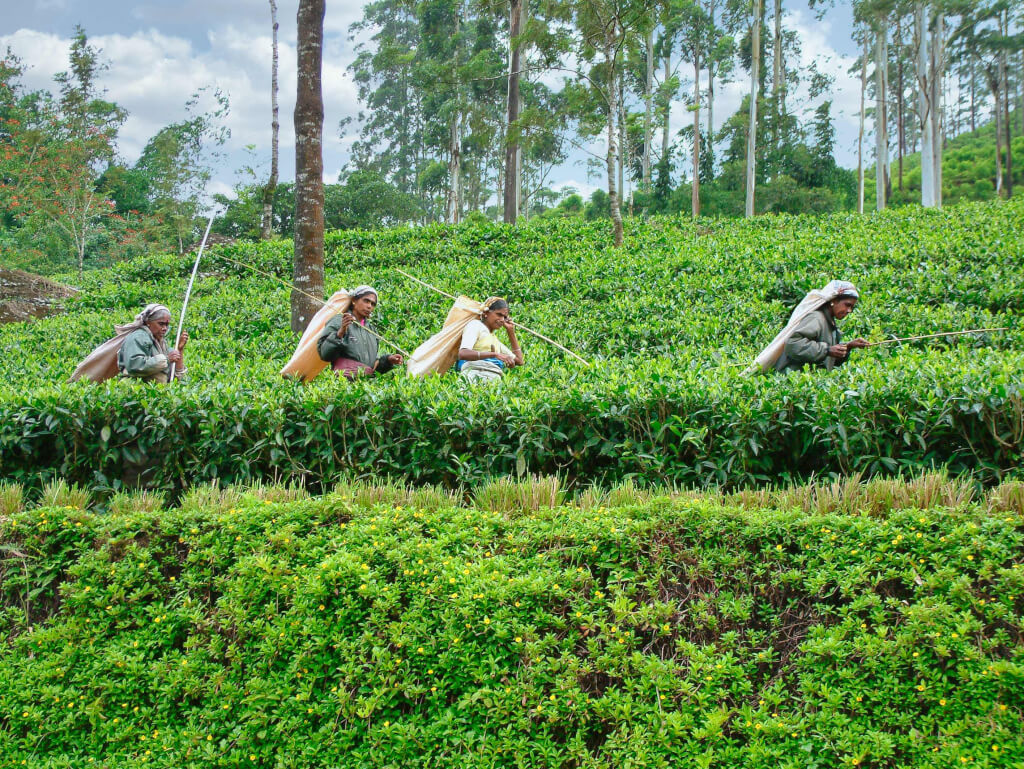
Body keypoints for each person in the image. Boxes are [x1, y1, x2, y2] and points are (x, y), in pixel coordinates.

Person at [773, 281, 868, 372]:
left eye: (851, 307)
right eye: (847, 305)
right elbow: (793, 344)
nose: (849, 310)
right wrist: (827, 350)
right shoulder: (816, 318)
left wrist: (848, 347)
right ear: (833, 300)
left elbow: (829, 360)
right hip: (793, 379)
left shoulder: (829, 322)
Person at [316, 285, 403, 379]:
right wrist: (340, 333)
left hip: (365, 385)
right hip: (343, 383)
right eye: (366, 301)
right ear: (354, 300)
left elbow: (372, 368)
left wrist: (388, 360)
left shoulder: (371, 330)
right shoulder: (339, 320)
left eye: (373, 304)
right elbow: (325, 354)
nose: (369, 306)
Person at [456, 298, 524, 382]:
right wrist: (494, 355)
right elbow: (463, 353)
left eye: (505, 317)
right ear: (486, 313)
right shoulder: (475, 325)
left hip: (493, 380)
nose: (502, 320)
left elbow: (519, 361)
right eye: (499, 315)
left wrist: (510, 332)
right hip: (473, 376)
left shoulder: (494, 340)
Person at [116, 304, 189, 383]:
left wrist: (179, 349)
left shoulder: (160, 342)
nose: (165, 328)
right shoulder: (139, 337)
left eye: (167, 325)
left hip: (155, 391)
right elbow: (135, 366)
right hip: (136, 390)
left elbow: (176, 376)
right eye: (161, 324)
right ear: (148, 322)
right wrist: (167, 359)